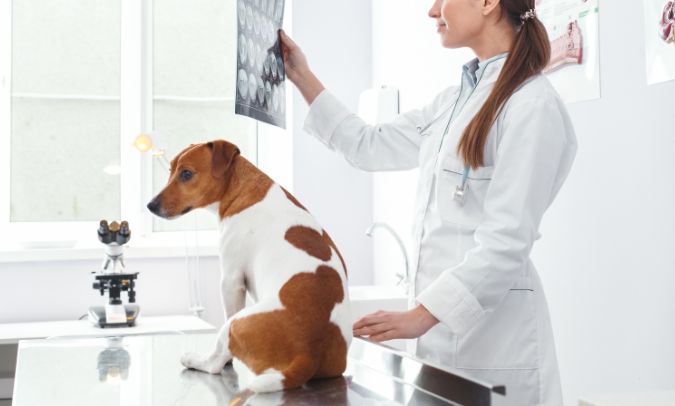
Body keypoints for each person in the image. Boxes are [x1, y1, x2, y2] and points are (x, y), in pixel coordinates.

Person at [280, 0, 577, 404]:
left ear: (489, 4)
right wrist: (301, 76)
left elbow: (506, 243)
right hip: (442, 346)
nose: (432, 10)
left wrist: (421, 316)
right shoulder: (453, 102)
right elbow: (369, 146)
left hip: (494, 345)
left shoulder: (531, 105)